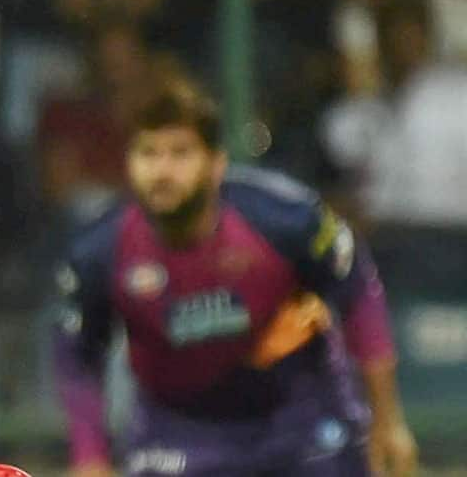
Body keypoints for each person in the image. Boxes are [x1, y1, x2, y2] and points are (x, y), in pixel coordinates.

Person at [54, 74, 419, 477]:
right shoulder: (98, 251)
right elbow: (77, 353)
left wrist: (388, 422)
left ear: (215, 165)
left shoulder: (285, 219)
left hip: (303, 423)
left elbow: (357, 293)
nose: (162, 171)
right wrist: (89, 457)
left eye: (180, 153)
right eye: (148, 153)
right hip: (176, 433)